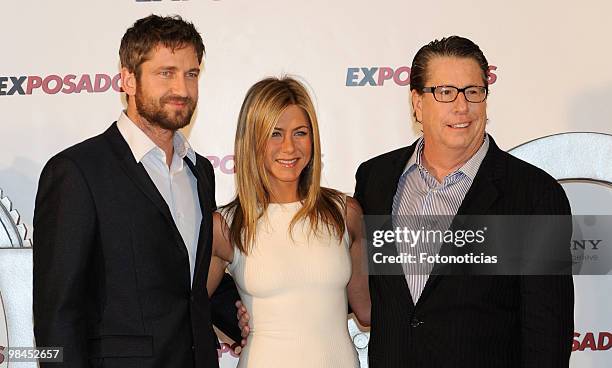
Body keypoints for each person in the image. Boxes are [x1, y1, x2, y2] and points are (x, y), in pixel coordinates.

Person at [33, 15, 241, 368]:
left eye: (191, 74)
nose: (182, 88)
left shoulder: (200, 171)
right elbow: (57, 317)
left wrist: (249, 319)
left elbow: (191, 281)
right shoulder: (77, 172)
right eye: (166, 73)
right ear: (128, 79)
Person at [352, 36, 574, 367]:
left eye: (473, 91)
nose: (461, 106)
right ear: (417, 102)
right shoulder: (375, 180)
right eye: (445, 92)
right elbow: (348, 282)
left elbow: (547, 334)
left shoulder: (534, 195)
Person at [207, 76, 371, 367]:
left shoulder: (344, 213)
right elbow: (182, 308)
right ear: (252, 140)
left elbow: (369, 311)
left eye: (300, 133)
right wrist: (234, 318)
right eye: (275, 133)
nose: (289, 147)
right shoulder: (226, 226)